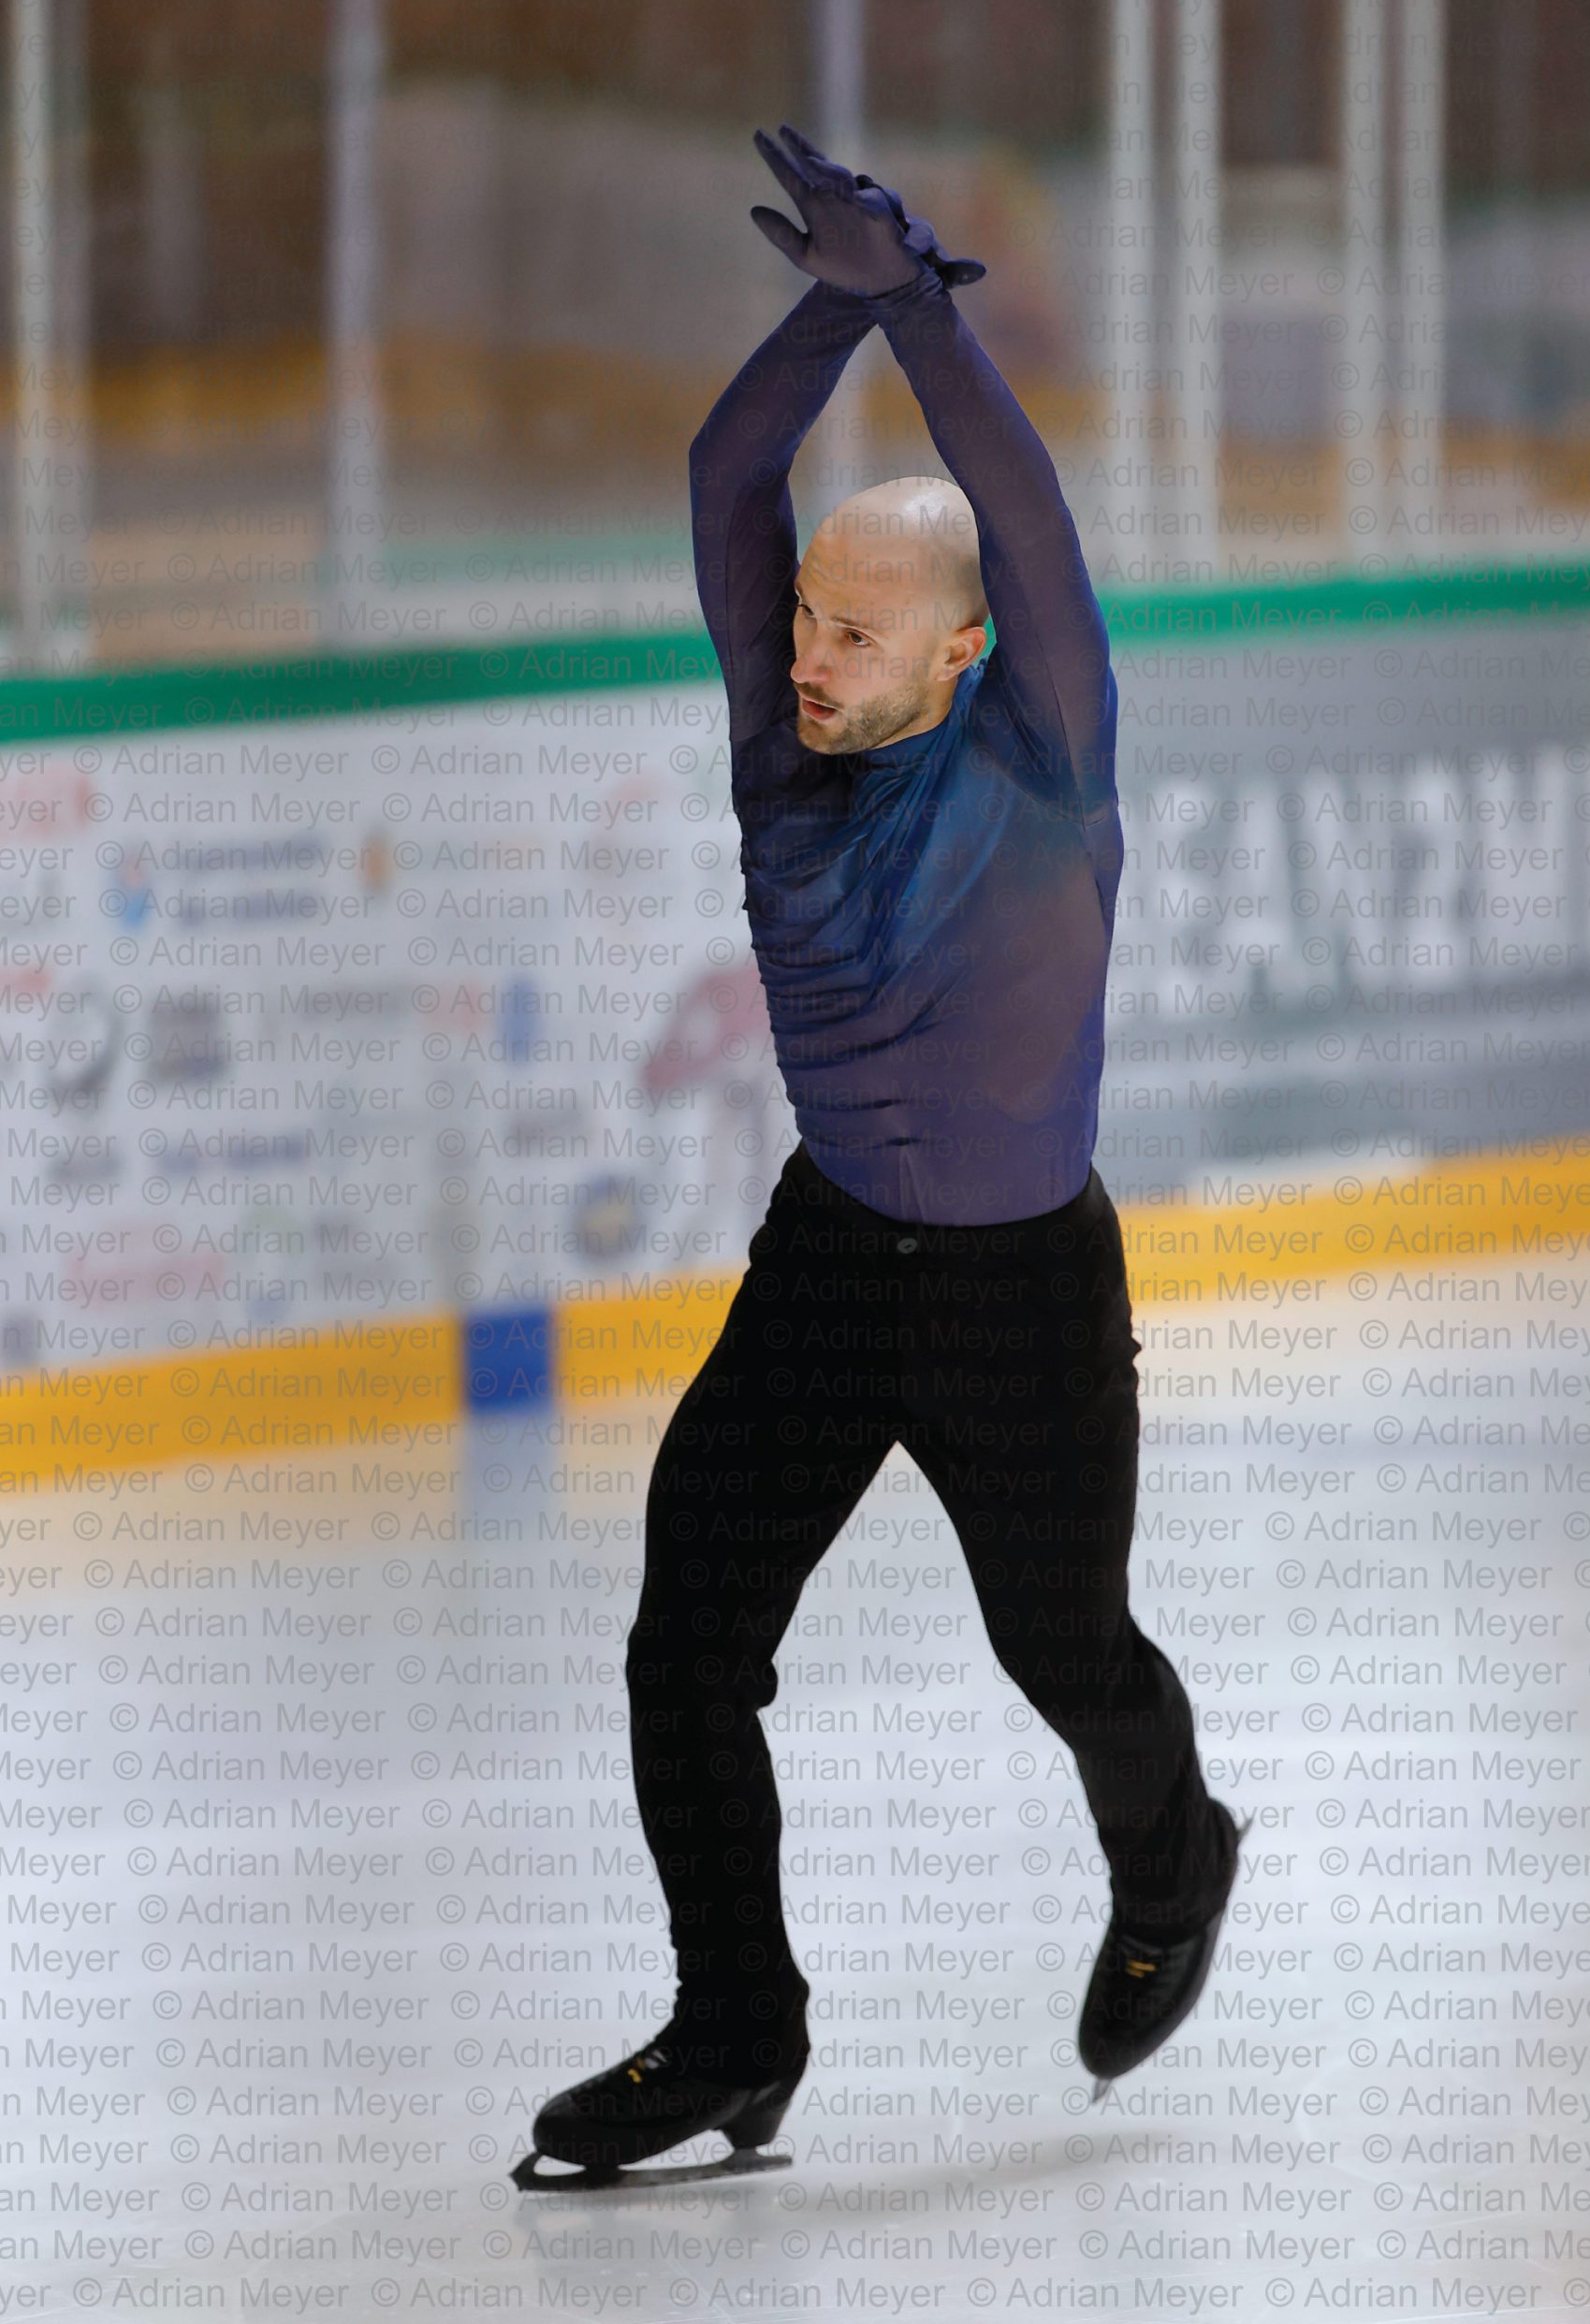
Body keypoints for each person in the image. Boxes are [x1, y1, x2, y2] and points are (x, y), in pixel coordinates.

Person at [517, 124, 1247, 2191]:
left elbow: (1021, 521)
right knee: (686, 1641)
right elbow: (713, 488)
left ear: (961, 653)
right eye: (807, 618)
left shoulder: (1046, 749)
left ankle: (1171, 1844)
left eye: (856, 630)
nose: (807, 650)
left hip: (1021, 1285)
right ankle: (736, 2028)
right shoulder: (783, 736)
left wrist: (921, 308)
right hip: (832, 1258)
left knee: (1062, 1650)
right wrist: (828, 300)